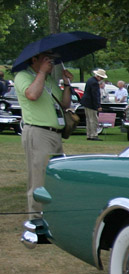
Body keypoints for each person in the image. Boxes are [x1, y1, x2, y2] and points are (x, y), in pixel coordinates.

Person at [14, 52, 75, 218]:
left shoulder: (48, 80)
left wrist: (67, 84)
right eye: (46, 59)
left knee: (54, 176)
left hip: (55, 133)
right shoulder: (23, 76)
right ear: (34, 59)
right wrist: (41, 72)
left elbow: (64, 103)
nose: (51, 63)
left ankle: (52, 215)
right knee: (38, 178)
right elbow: (32, 95)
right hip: (37, 132)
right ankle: (36, 219)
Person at [81, 68, 107, 140]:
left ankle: (89, 134)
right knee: (93, 120)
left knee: (88, 119)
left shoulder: (90, 80)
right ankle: (93, 135)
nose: (101, 79)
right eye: (101, 77)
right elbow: (95, 95)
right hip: (91, 103)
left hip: (86, 102)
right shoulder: (94, 83)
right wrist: (98, 106)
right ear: (98, 76)